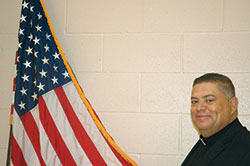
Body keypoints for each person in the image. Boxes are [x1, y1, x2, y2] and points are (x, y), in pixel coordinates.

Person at [181, 73, 250, 166]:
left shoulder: (245, 149)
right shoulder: (205, 142)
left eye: (209, 100)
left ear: (233, 105)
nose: (199, 107)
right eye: (195, 101)